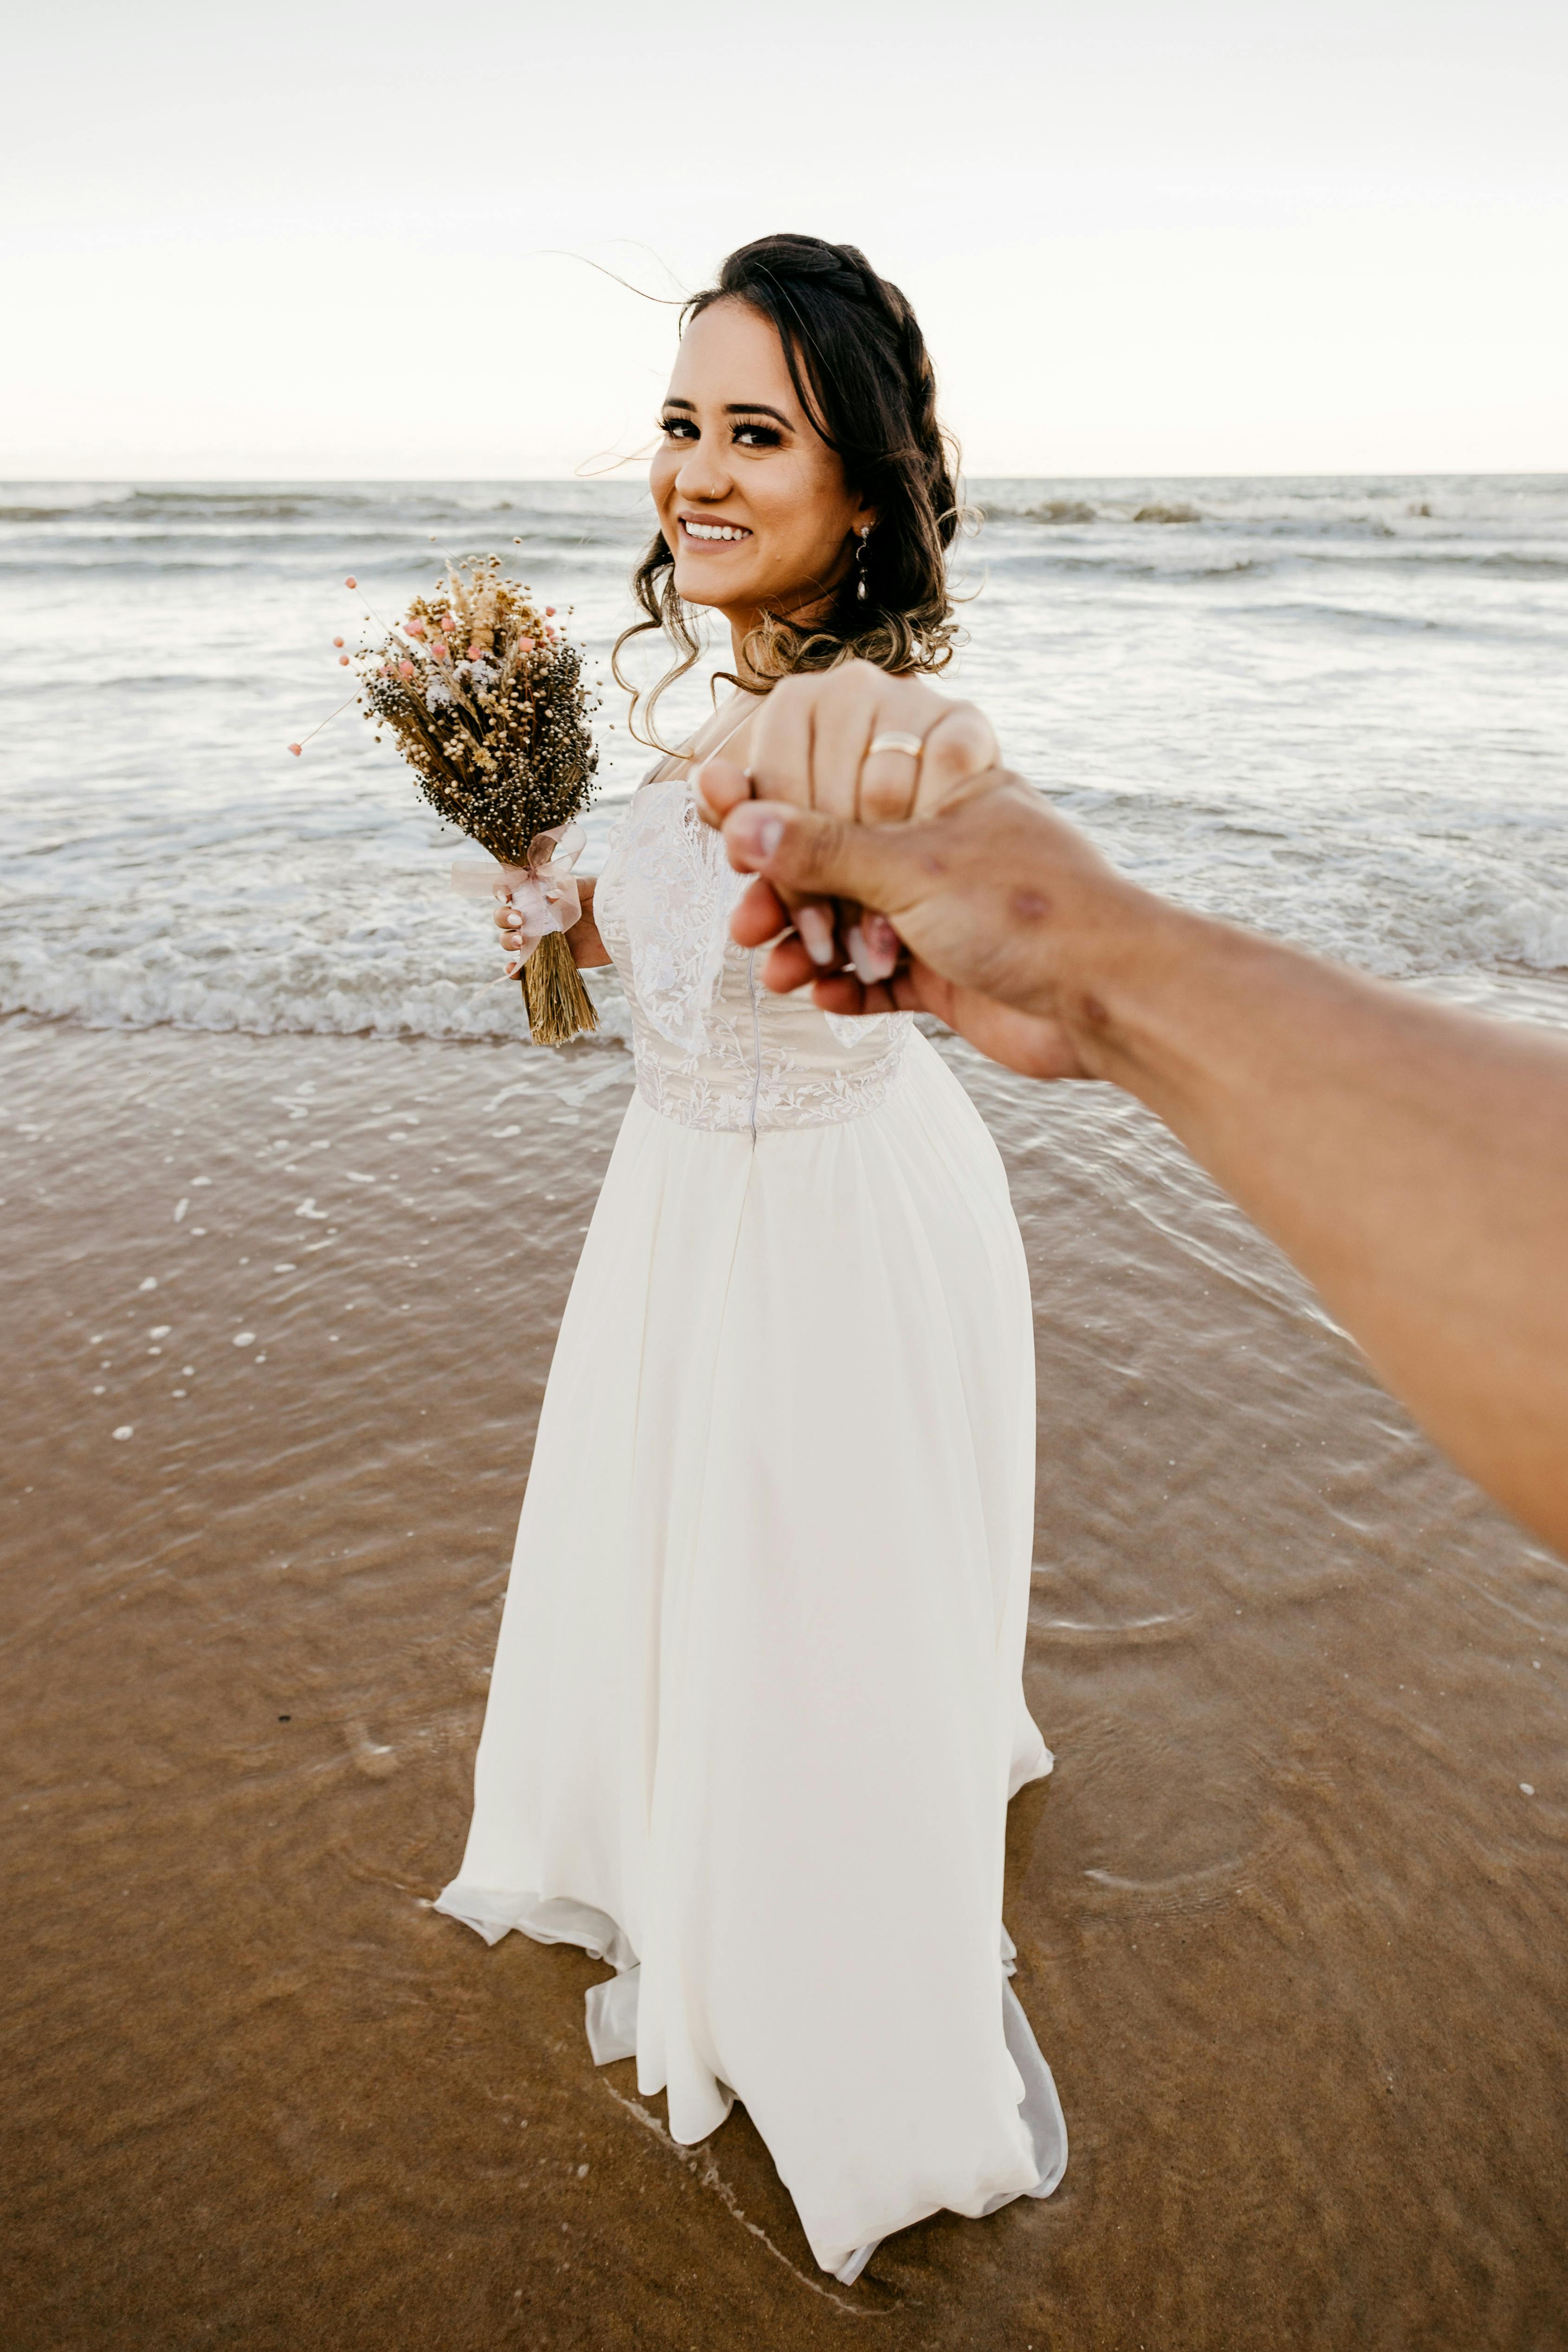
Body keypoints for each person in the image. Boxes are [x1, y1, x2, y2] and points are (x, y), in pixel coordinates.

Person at [435, 237, 1067, 2285]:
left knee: (814, 1609)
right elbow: (700, 939)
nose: (695, 472)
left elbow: (945, 819)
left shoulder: (875, 721)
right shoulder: (742, 693)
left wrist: (938, 865)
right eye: (681, 424)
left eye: (756, 434)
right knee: (707, 1576)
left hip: (826, 1234)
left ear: (862, 487)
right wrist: (568, 899)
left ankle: (828, 1983)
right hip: (685, 1210)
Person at [693, 663, 1568, 1557]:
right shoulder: (715, 716)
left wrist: (1089, 963)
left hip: (843, 1172)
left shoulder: (869, 730)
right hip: (676, 1181)